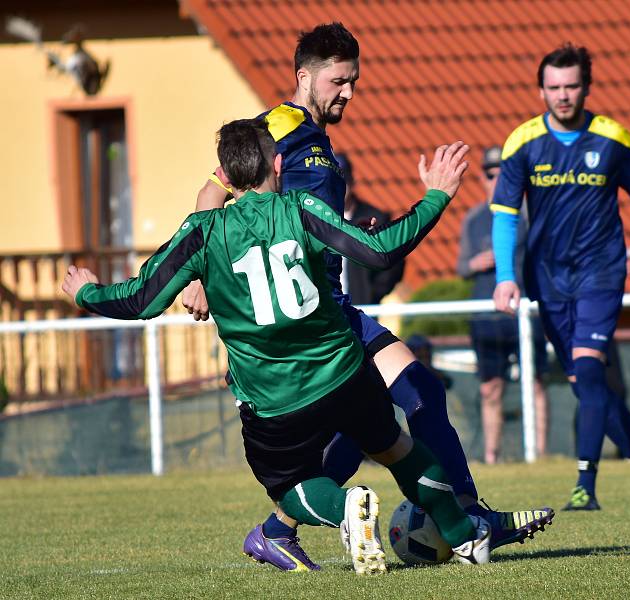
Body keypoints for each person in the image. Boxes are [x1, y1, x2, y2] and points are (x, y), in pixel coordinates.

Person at [181, 22, 554, 559]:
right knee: (391, 411)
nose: (349, 92)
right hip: (308, 322)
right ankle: (460, 520)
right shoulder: (278, 127)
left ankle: (454, 517)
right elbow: (210, 194)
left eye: (354, 80)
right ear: (304, 76)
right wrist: (196, 274)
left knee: (408, 399)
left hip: (333, 307)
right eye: (338, 81)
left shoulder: (319, 141)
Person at [62, 120, 492, 573]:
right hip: (344, 374)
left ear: (225, 178)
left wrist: (86, 294)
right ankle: (466, 539)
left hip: (275, 401)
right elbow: (380, 250)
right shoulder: (301, 207)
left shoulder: (202, 232)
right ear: (279, 163)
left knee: (289, 488)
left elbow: (141, 300)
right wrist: (437, 195)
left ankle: (346, 508)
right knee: (397, 448)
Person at [491, 43, 630, 510]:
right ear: (541, 90)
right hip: (548, 280)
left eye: (571, 86)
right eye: (554, 87)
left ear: (586, 87)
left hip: (601, 272)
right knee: (588, 384)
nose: (563, 95)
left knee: (591, 370)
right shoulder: (522, 143)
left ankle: (585, 487)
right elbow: (504, 214)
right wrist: (505, 274)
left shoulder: (613, 138)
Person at [457, 146, 550, 463]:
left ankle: (540, 454)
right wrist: (476, 262)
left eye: (502, 173)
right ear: (482, 179)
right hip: (486, 314)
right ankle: (492, 456)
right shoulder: (474, 219)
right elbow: (461, 267)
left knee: (535, 382)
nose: (495, 180)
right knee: (490, 388)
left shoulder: (528, 214)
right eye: (489, 174)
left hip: (526, 312)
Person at [338, 153, 405, 305]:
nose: (340, 188)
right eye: (334, 182)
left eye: (344, 181)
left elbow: (394, 262)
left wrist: (373, 293)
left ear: (352, 182)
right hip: (329, 310)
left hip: (364, 308)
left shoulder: (376, 218)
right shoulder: (318, 219)